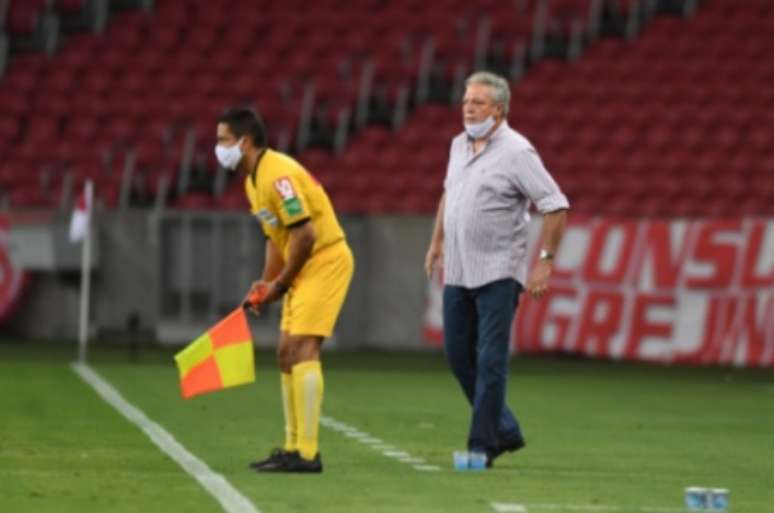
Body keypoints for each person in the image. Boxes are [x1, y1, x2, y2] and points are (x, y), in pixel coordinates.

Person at [424, 71, 569, 468]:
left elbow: (555, 204)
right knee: (458, 356)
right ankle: (504, 430)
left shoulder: (518, 151)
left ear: (500, 109)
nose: (469, 108)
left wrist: (544, 263)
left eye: (479, 102)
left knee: (490, 360)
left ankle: (480, 447)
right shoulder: (458, 145)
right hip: (458, 269)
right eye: (466, 101)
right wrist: (437, 241)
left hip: (499, 273)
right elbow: (448, 194)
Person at [215, 108, 354, 473]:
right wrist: (266, 283)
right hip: (304, 265)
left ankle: (308, 454)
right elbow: (277, 240)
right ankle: (293, 447)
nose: (218, 148)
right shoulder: (252, 182)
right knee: (284, 353)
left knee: (303, 348)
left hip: (324, 259)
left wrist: (282, 284)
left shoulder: (278, 176)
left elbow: (305, 234)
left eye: (222, 140)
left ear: (244, 142)